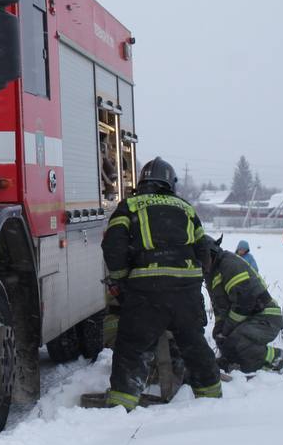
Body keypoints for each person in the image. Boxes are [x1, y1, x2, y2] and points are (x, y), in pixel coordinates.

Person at [83, 156, 222, 409]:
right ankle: (211, 394)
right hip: (185, 291)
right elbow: (203, 251)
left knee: (132, 346)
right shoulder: (186, 208)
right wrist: (193, 279)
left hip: (147, 292)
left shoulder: (129, 206)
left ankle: (122, 402)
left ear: (142, 182)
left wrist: (122, 279)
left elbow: (113, 247)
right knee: (193, 342)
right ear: (170, 183)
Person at [205, 237, 283, 372]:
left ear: (211, 252)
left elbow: (244, 303)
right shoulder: (211, 274)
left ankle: (282, 358)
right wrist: (219, 329)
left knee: (238, 341)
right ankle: (237, 363)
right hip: (248, 318)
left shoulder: (230, 265)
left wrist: (226, 330)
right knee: (228, 343)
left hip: (265, 316)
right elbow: (219, 308)